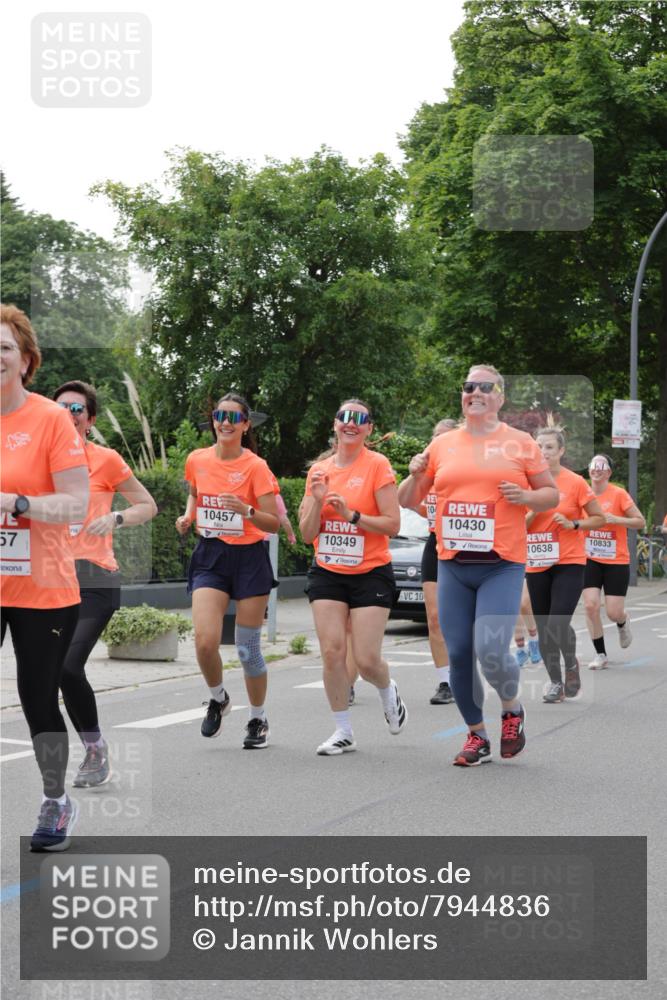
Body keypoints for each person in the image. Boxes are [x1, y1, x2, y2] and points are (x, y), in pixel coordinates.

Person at [398, 364, 558, 766]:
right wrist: (414, 475)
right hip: (453, 563)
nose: (475, 392)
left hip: (501, 564)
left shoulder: (520, 443)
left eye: (486, 386)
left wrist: (525, 496)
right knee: (459, 653)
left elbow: (551, 495)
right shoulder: (442, 445)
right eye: (469, 386)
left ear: (500, 397)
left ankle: (512, 710)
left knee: (490, 648)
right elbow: (406, 499)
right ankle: (477, 735)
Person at [0, 304, 89, 851]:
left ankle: (56, 799)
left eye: (4, 348)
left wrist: (18, 503)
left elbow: (77, 503)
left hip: (43, 588)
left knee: (37, 698)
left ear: (26, 360)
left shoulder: (50, 419)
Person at [53, 381, 157, 786]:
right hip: (51, 579)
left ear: (90, 420)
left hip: (96, 578)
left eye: (76, 409)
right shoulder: (40, 461)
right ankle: (90, 750)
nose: (68, 415)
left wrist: (116, 518)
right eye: (60, 408)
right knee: (53, 673)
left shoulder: (106, 460)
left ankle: (95, 751)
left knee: (68, 665)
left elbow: (147, 505)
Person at [299, 399, 407, 755]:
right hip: (328, 571)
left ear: (369, 428)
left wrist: (352, 516)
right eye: (343, 417)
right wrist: (317, 501)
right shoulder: (319, 471)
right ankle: (342, 730)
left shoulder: (377, 465)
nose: (350, 423)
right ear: (334, 424)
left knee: (366, 660)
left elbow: (392, 524)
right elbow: (306, 534)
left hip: (370, 572)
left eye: (359, 419)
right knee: (332, 651)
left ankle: (387, 690)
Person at [176, 393, 279, 748]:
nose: (225, 422)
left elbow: (274, 522)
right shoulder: (197, 459)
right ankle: (218, 698)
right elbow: (195, 493)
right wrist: (188, 515)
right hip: (211, 555)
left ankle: (258, 718)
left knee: (247, 649)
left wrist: (245, 510)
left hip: (249, 557)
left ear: (246, 425)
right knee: (205, 641)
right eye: (220, 415)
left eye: (234, 417)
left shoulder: (256, 466)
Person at [525, 423, 604, 703]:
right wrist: (535, 510)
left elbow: (599, 518)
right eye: (538, 447)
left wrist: (574, 523)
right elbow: (516, 526)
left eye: (549, 447)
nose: (543, 452)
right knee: (544, 627)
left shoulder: (575, 482)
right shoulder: (526, 483)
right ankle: (556, 682)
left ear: (561, 451)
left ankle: (570, 663)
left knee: (557, 622)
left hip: (569, 560)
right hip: (537, 561)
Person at [408, 418, 457, 705]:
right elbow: (409, 500)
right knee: (435, 618)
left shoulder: (468, 470)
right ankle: (445, 682)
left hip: (466, 549)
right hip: (436, 544)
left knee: (463, 619)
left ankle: (464, 670)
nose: (438, 442)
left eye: (444, 437)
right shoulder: (427, 473)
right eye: (435, 436)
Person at [582, 454, 646, 669]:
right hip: (589, 557)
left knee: (613, 612)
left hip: (615, 560)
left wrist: (616, 519)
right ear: (589, 470)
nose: (596, 469)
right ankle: (600, 654)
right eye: (593, 465)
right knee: (590, 605)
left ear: (608, 472)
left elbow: (640, 522)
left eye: (601, 466)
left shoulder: (618, 494)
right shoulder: (583, 493)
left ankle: (622, 620)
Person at [513, 582, 541, 667]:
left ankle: (534, 641)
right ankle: (521, 649)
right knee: (513, 606)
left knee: (523, 604)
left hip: (526, 573)